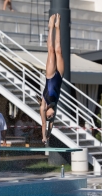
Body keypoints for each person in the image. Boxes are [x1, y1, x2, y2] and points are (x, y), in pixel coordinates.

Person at [36, 14, 64, 144]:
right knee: (59, 51)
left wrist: (44, 136)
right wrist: (49, 135)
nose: (51, 116)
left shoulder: (43, 106)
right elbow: (50, 125)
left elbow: (43, 124)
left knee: (51, 50)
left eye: (49, 117)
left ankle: (51, 27)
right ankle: (58, 27)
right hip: (60, 77)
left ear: (46, 113)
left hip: (51, 75)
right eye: (51, 117)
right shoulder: (55, 107)